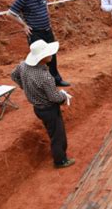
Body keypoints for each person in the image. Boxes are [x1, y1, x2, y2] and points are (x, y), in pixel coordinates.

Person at [11, 40, 75, 169]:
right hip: (49, 109)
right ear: (41, 58)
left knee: (52, 131)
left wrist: (24, 86)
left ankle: (59, 157)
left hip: (38, 108)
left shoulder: (23, 65)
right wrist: (63, 96)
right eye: (48, 53)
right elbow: (53, 97)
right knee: (58, 135)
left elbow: (13, 75)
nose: (51, 55)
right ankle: (60, 161)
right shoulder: (45, 77)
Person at [8, 0, 70, 87]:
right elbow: (10, 13)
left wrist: (47, 19)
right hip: (35, 33)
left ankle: (56, 79)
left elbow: (44, 6)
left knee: (52, 55)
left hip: (47, 30)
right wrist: (24, 25)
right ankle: (40, 84)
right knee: (39, 59)